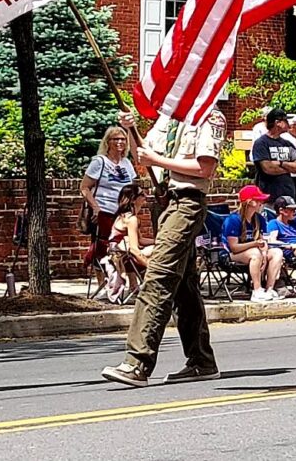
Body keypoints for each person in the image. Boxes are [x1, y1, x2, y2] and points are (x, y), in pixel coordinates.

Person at [101, 107, 224, 388]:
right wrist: (131, 130)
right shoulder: (169, 119)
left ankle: (137, 362)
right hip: (165, 203)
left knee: (158, 277)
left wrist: (157, 159)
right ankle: (202, 361)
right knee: (184, 287)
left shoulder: (209, 115)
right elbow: (144, 155)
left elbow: (205, 167)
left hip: (187, 202)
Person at [81, 126, 137, 296]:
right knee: (103, 248)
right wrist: (96, 208)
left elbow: (133, 186)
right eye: (116, 139)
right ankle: (103, 285)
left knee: (127, 246)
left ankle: (133, 285)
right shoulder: (100, 162)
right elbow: (84, 188)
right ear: (108, 142)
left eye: (122, 139)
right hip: (104, 210)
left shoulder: (127, 163)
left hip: (124, 213)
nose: (120, 142)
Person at [222, 185, 283, 302]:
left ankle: (269, 289)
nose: (262, 203)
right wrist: (255, 244)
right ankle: (257, 290)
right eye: (259, 200)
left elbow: (263, 241)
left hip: (256, 253)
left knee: (277, 252)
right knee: (255, 253)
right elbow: (234, 247)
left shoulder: (259, 219)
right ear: (250, 202)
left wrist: (264, 254)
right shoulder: (233, 220)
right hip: (230, 255)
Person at [105, 184, 153, 302]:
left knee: (159, 246)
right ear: (133, 199)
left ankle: (134, 286)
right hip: (123, 256)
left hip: (116, 253)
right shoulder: (132, 220)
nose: (145, 196)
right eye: (142, 194)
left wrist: (160, 240)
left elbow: (140, 240)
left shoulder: (124, 216)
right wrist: (150, 266)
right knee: (159, 251)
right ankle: (151, 284)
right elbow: (134, 249)